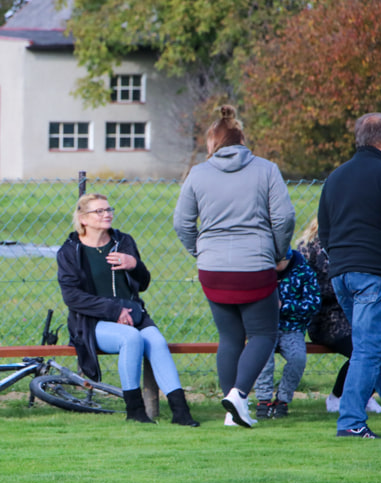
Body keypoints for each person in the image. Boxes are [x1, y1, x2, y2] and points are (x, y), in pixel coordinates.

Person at [173, 104, 296, 428]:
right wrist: (279, 252)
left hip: (213, 269)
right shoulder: (266, 169)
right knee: (263, 335)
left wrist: (200, 252)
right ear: (242, 139)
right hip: (255, 266)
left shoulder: (198, 173)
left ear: (213, 142)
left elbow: (181, 222)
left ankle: (233, 412)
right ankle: (240, 395)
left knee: (229, 338)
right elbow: (284, 218)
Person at [57, 193, 199, 426]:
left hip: (133, 315)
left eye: (109, 209)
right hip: (92, 322)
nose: (107, 214)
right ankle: (135, 410)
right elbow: (72, 297)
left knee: (156, 341)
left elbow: (142, 283)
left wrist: (134, 265)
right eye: (99, 211)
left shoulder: (123, 241)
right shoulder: (70, 251)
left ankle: (181, 411)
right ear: (83, 219)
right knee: (131, 339)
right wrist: (113, 311)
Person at [318, 112, 381, 439]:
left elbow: (325, 231)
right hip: (375, 273)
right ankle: (350, 421)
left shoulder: (335, 177)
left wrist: (343, 260)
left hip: (342, 274)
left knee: (379, 345)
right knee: (369, 348)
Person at [297, 218, 381, 415]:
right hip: (328, 320)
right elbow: (309, 289)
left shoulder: (359, 244)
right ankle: (339, 396)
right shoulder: (310, 247)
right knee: (367, 347)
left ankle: (365, 395)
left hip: (359, 312)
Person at [254, 247, 320, 418]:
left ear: (288, 259)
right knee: (263, 357)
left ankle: (283, 399)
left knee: (297, 358)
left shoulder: (304, 273)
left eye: (277, 263)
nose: (274, 267)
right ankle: (263, 399)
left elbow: (313, 304)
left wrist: (285, 306)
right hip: (264, 328)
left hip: (292, 328)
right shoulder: (261, 271)